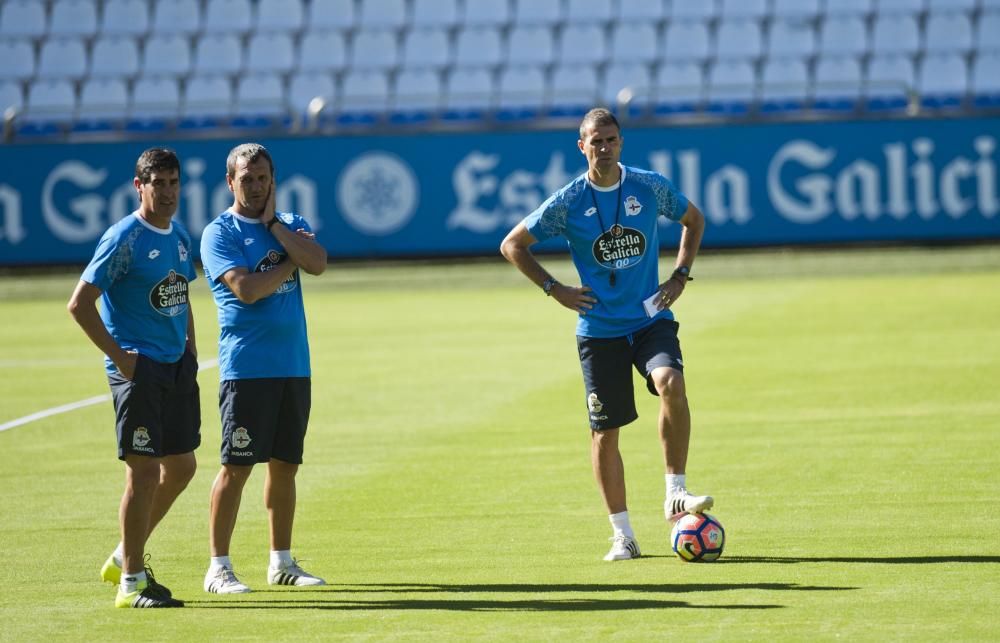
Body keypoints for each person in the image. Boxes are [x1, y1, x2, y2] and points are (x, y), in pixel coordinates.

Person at [500, 108, 714, 561]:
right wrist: (553, 288)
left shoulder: (647, 186)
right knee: (606, 432)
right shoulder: (568, 201)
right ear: (581, 147)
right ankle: (624, 536)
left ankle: (675, 491)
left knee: (671, 382)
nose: (603, 148)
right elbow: (512, 244)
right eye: (594, 141)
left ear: (621, 142)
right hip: (599, 330)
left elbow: (694, 221)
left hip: (649, 318)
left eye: (611, 140)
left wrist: (679, 275)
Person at [67, 148, 199, 607]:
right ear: (138, 186)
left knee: (182, 467)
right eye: (157, 183)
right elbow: (79, 304)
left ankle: (126, 554)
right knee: (143, 474)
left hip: (176, 365)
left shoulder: (181, 235)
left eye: (173, 183)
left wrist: (191, 347)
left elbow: (181, 295)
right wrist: (121, 359)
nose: (166, 192)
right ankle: (131, 584)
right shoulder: (124, 238)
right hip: (139, 370)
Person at [199, 143, 328, 593]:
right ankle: (218, 567)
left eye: (262, 178)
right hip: (246, 370)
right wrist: (290, 256)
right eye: (245, 178)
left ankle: (282, 562)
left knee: (285, 466)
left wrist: (275, 228)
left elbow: (318, 263)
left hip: (293, 364)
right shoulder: (220, 233)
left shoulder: (291, 223)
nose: (254, 186)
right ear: (230, 182)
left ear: (273, 181)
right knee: (236, 467)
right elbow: (247, 290)